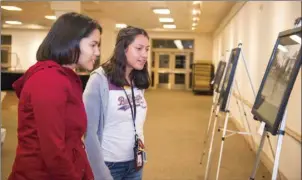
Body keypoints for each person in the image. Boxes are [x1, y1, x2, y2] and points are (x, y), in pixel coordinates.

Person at [8, 12, 101, 180]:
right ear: (71, 41)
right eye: (93, 45)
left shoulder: (65, 78)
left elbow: (72, 142)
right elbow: (54, 151)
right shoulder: (49, 80)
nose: (97, 52)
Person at [83, 26, 150, 180]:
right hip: (109, 164)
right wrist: (100, 170)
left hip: (135, 161)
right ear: (123, 48)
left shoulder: (137, 79)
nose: (145, 54)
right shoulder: (99, 80)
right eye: (139, 48)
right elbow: (89, 131)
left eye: (147, 49)